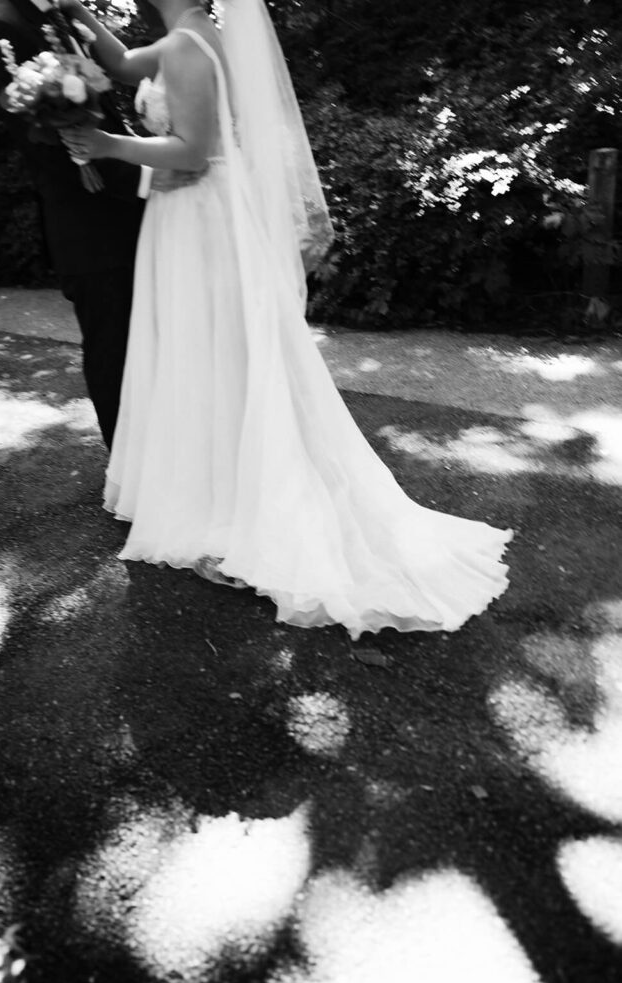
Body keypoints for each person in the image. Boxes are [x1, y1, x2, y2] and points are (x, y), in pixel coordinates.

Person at [61, 0, 513, 640]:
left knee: (212, 353)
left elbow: (191, 152)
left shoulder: (189, 47)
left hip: (197, 220)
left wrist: (106, 143)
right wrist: (79, 16)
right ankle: (218, 487)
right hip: (192, 219)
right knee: (212, 352)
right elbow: (125, 63)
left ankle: (228, 507)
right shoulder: (190, 38)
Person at [0, 0, 150, 447]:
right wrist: (149, 177)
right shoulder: (0, 26)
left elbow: (107, 105)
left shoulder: (61, 13)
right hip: (88, 222)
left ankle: (163, 462)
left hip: (127, 209)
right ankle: (131, 478)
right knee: (113, 350)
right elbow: (42, 145)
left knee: (149, 344)